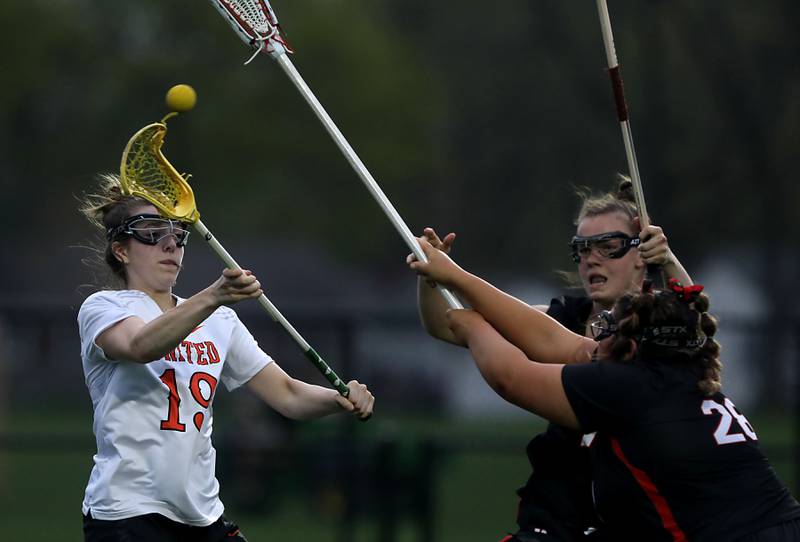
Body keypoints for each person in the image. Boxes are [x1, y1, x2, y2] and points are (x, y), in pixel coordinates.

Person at [409, 240, 800, 541]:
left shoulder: (631, 385)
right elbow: (559, 342)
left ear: (631, 348)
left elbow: (510, 377)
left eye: (610, 331)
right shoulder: (681, 371)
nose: (596, 340)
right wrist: (454, 276)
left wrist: (473, 326)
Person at [77, 174, 374, 542]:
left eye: (177, 232)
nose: (170, 242)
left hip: (202, 517)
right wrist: (213, 296)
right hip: (129, 514)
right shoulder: (104, 308)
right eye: (152, 231)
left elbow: (287, 394)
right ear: (121, 250)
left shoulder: (219, 320)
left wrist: (339, 399)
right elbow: (141, 346)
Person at [416, 179, 691, 541]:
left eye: (608, 247)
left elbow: (697, 329)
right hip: (560, 512)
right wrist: (431, 276)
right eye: (582, 248)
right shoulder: (555, 320)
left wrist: (669, 261)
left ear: (643, 254)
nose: (592, 258)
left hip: (635, 515)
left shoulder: (660, 331)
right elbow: (445, 325)